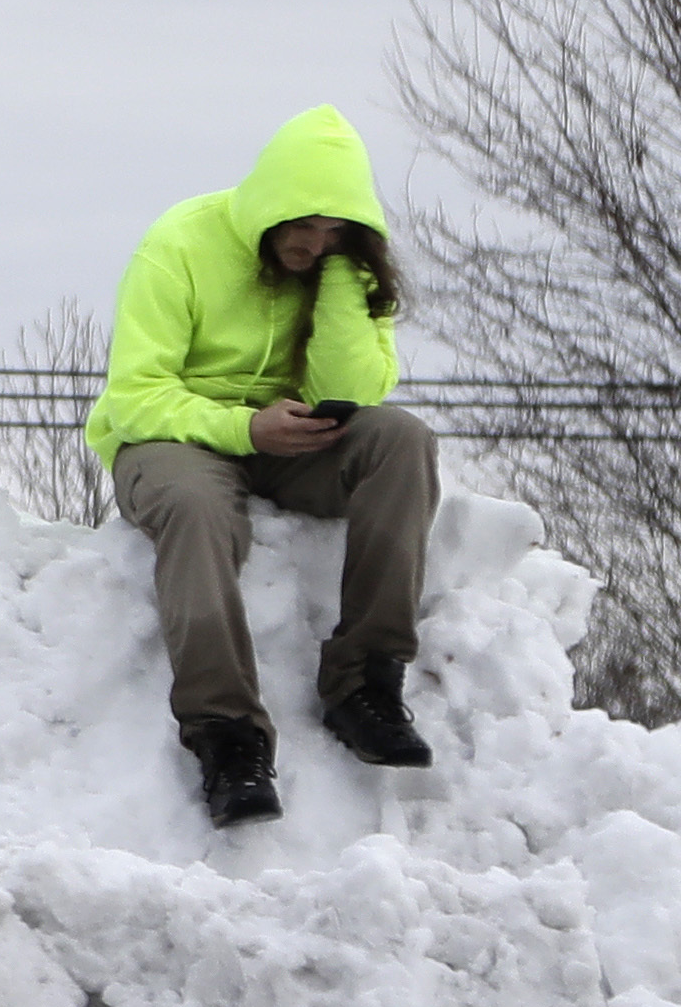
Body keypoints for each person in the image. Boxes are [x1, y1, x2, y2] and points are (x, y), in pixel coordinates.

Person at [82, 105, 437, 827]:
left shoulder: (346, 270)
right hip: (173, 439)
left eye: (335, 230)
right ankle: (228, 736)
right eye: (304, 225)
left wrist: (339, 283)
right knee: (195, 510)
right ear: (270, 204)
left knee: (402, 439)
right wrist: (243, 427)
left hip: (289, 442)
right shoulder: (179, 242)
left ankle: (363, 684)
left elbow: (361, 391)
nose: (315, 242)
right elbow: (135, 396)